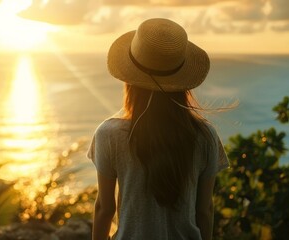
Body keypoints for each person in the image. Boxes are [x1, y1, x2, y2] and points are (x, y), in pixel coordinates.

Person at [88, 18, 230, 240]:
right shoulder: (205, 135)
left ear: (129, 80)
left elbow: (104, 209)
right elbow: (204, 211)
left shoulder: (109, 134)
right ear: (182, 83)